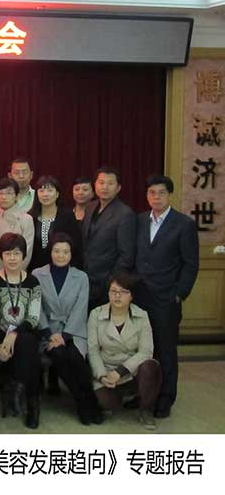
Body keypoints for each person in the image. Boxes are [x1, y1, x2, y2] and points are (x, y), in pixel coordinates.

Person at [134, 175, 199, 418]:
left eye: (161, 192)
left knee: (165, 350)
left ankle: (165, 397)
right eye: (152, 192)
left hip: (166, 299)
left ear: (170, 194)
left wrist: (179, 294)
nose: (156, 197)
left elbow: (190, 264)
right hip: (140, 296)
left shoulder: (184, 224)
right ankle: (143, 395)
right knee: (142, 348)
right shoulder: (140, 220)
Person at [31, 233, 103, 426]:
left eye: (65, 252)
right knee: (59, 355)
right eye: (56, 251)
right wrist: (50, 334)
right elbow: (36, 308)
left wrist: (65, 335)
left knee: (76, 357)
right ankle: (83, 403)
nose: (60, 255)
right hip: (47, 332)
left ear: (72, 254)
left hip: (74, 330)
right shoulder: (37, 274)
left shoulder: (81, 277)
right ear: (50, 252)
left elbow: (81, 308)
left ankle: (90, 399)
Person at [87, 272, 162, 430]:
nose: (117, 296)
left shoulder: (141, 316)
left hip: (132, 372)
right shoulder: (96, 314)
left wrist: (120, 372)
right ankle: (119, 397)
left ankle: (146, 409)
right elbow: (92, 350)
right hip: (107, 371)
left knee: (150, 366)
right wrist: (101, 375)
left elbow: (146, 351)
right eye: (113, 291)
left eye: (123, 292)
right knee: (106, 402)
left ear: (131, 296)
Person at [0, 233, 44, 429]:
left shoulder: (32, 282)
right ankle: (29, 397)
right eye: (8, 253)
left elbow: (33, 318)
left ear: (24, 256)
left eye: (17, 253)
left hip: (24, 333)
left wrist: (13, 335)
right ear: (1, 255)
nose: (12, 258)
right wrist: (0, 346)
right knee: (29, 352)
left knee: (27, 342)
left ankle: (22, 392)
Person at [81, 167, 135, 308]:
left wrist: (111, 281)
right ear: (95, 185)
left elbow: (127, 256)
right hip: (86, 279)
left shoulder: (125, 214)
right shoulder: (90, 207)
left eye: (110, 183)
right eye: (101, 182)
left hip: (106, 284)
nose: (105, 187)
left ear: (118, 188)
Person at [27, 175, 82, 271]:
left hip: (62, 267)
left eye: (50, 190)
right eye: (41, 191)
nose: (45, 194)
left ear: (57, 194)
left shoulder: (67, 216)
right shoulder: (30, 217)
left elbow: (76, 245)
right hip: (35, 269)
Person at [0, 178, 34, 271]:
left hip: (16, 273)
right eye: (0, 193)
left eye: (9, 193)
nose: (4, 197)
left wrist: (14, 272)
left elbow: (27, 251)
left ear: (17, 196)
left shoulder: (26, 220)